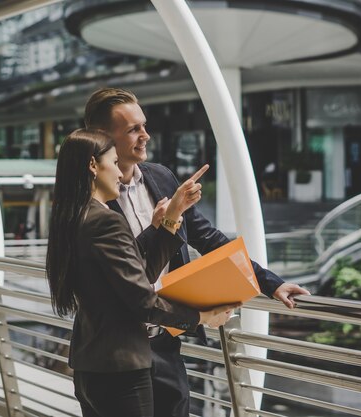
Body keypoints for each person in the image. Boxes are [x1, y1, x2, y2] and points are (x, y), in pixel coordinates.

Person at [84, 88, 312, 417]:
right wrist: (167, 221)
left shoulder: (161, 178)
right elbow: (125, 270)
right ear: (103, 136)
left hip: (165, 340)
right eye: (134, 129)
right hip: (115, 347)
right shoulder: (90, 197)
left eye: (144, 125)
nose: (145, 135)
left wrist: (269, 283)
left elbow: (206, 237)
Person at [45, 128, 239, 417]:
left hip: (91, 367)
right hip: (122, 371)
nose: (121, 175)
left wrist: (167, 222)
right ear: (93, 166)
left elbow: (131, 274)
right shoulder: (105, 221)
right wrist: (201, 316)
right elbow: (142, 300)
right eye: (113, 163)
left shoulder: (74, 216)